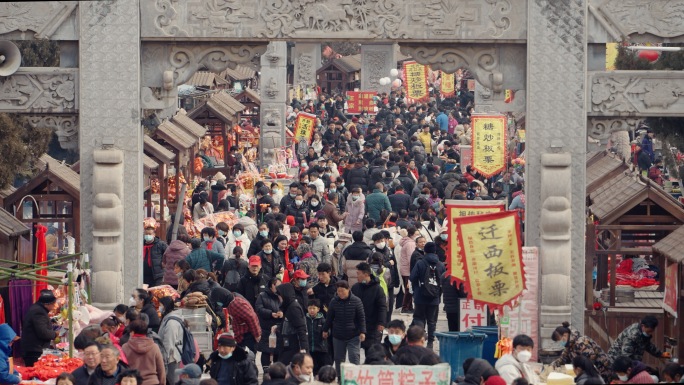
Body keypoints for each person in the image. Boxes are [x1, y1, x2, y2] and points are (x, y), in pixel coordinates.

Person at [323, 280, 365, 375]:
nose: (340, 293)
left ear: (348, 290)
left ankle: (356, 378)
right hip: (338, 335)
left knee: (354, 357)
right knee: (338, 359)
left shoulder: (356, 301)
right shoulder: (334, 302)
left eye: (342, 291)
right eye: (338, 291)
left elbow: (361, 318)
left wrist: (363, 332)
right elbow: (329, 318)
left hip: (353, 335)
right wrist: (325, 330)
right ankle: (340, 379)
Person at [410, 242, 445, 349]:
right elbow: (443, 280)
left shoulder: (420, 263)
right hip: (434, 297)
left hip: (420, 296)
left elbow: (412, 277)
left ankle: (419, 340)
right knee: (432, 321)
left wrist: (417, 288)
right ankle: (430, 342)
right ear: (435, 251)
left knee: (419, 318)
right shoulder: (440, 265)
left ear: (424, 251)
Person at [351, 262, 387, 352]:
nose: (357, 276)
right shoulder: (355, 288)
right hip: (357, 326)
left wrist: (381, 323)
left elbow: (382, 307)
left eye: (358, 274)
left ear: (366, 274)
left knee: (372, 352)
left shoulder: (378, 289)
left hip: (372, 326)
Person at [121, 319, 165, 385]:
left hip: (133, 382)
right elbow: (161, 369)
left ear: (132, 332)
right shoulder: (154, 347)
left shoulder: (125, 347)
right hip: (152, 382)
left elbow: (122, 369)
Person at [21, 289, 58, 366]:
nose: (54, 306)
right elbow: (43, 333)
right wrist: (55, 334)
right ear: (47, 304)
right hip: (34, 351)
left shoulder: (37, 308)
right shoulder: (39, 312)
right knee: (34, 373)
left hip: (33, 349)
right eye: (53, 304)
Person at [275, 283, 308, 365]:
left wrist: (303, 348)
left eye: (280, 295)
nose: (279, 298)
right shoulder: (288, 306)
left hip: (293, 347)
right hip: (287, 345)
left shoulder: (293, 308)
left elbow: (301, 328)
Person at [255, 277, 283, 373]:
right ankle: (265, 371)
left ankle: (277, 371)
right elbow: (259, 309)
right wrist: (271, 313)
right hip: (267, 327)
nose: (279, 288)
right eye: (276, 285)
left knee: (278, 351)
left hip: (279, 328)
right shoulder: (262, 295)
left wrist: (281, 313)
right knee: (266, 350)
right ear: (271, 286)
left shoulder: (282, 296)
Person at [157, 298, 184, 385]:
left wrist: (164, 359)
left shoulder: (171, 322)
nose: (159, 308)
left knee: (173, 381)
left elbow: (169, 343)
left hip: (171, 358)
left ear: (165, 306)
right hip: (169, 357)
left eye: (160, 305)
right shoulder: (167, 319)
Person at [304, 299, 329, 375]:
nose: (311, 310)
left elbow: (327, 330)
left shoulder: (322, 320)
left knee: (321, 370)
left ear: (318, 309)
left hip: (320, 349)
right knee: (310, 369)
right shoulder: (304, 319)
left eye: (314, 308)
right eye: (310, 308)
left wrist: (327, 333)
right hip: (309, 350)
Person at [143, 218, 167, 287]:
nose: (148, 236)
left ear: (154, 234)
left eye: (150, 234)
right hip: (144, 276)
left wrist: (163, 262)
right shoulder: (141, 244)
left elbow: (167, 254)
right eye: (146, 234)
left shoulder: (160, 244)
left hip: (156, 275)